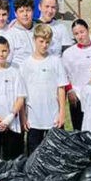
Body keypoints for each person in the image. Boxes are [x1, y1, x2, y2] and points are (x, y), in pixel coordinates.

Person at [21, 23, 69, 155]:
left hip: (53, 116)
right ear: (34, 40)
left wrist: (62, 113)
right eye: (41, 41)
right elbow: (22, 93)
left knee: (55, 153)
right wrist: (23, 116)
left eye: (47, 42)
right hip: (34, 117)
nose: (44, 45)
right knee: (34, 152)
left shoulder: (55, 61)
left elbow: (61, 88)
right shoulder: (26, 64)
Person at [6, 0, 36, 67]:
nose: (25, 14)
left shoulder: (39, 30)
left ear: (33, 12)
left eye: (28, 10)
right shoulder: (10, 34)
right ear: (16, 14)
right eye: (21, 11)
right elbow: (7, 61)